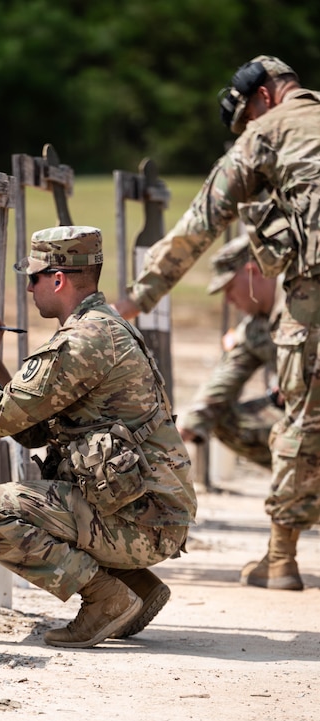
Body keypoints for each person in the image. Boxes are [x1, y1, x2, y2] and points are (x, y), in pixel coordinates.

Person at [115, 55, 320, 591]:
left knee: (304, 420)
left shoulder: (265, 134)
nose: (248, 126)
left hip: (314, 294)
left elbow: (202, 221)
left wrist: (138, 297)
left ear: (262, 97)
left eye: (246, 117)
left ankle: (281, 559)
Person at [0, 225, 197, 648]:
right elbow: (31, 430)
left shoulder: (82, 341)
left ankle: (106, 597)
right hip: (151, 512)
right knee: (44, 494)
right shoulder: (103, 326)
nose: (29, 288)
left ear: (58, 279)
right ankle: (134, 585)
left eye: (34, 277)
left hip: (141, 521)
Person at [178, 234, 284, 468]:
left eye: (230, 288)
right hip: (300, 414)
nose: (228, 300)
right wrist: (183, 431)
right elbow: (225, 379)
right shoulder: (256, 328)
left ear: (251, 272)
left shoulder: (304, 297)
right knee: (222, 418)